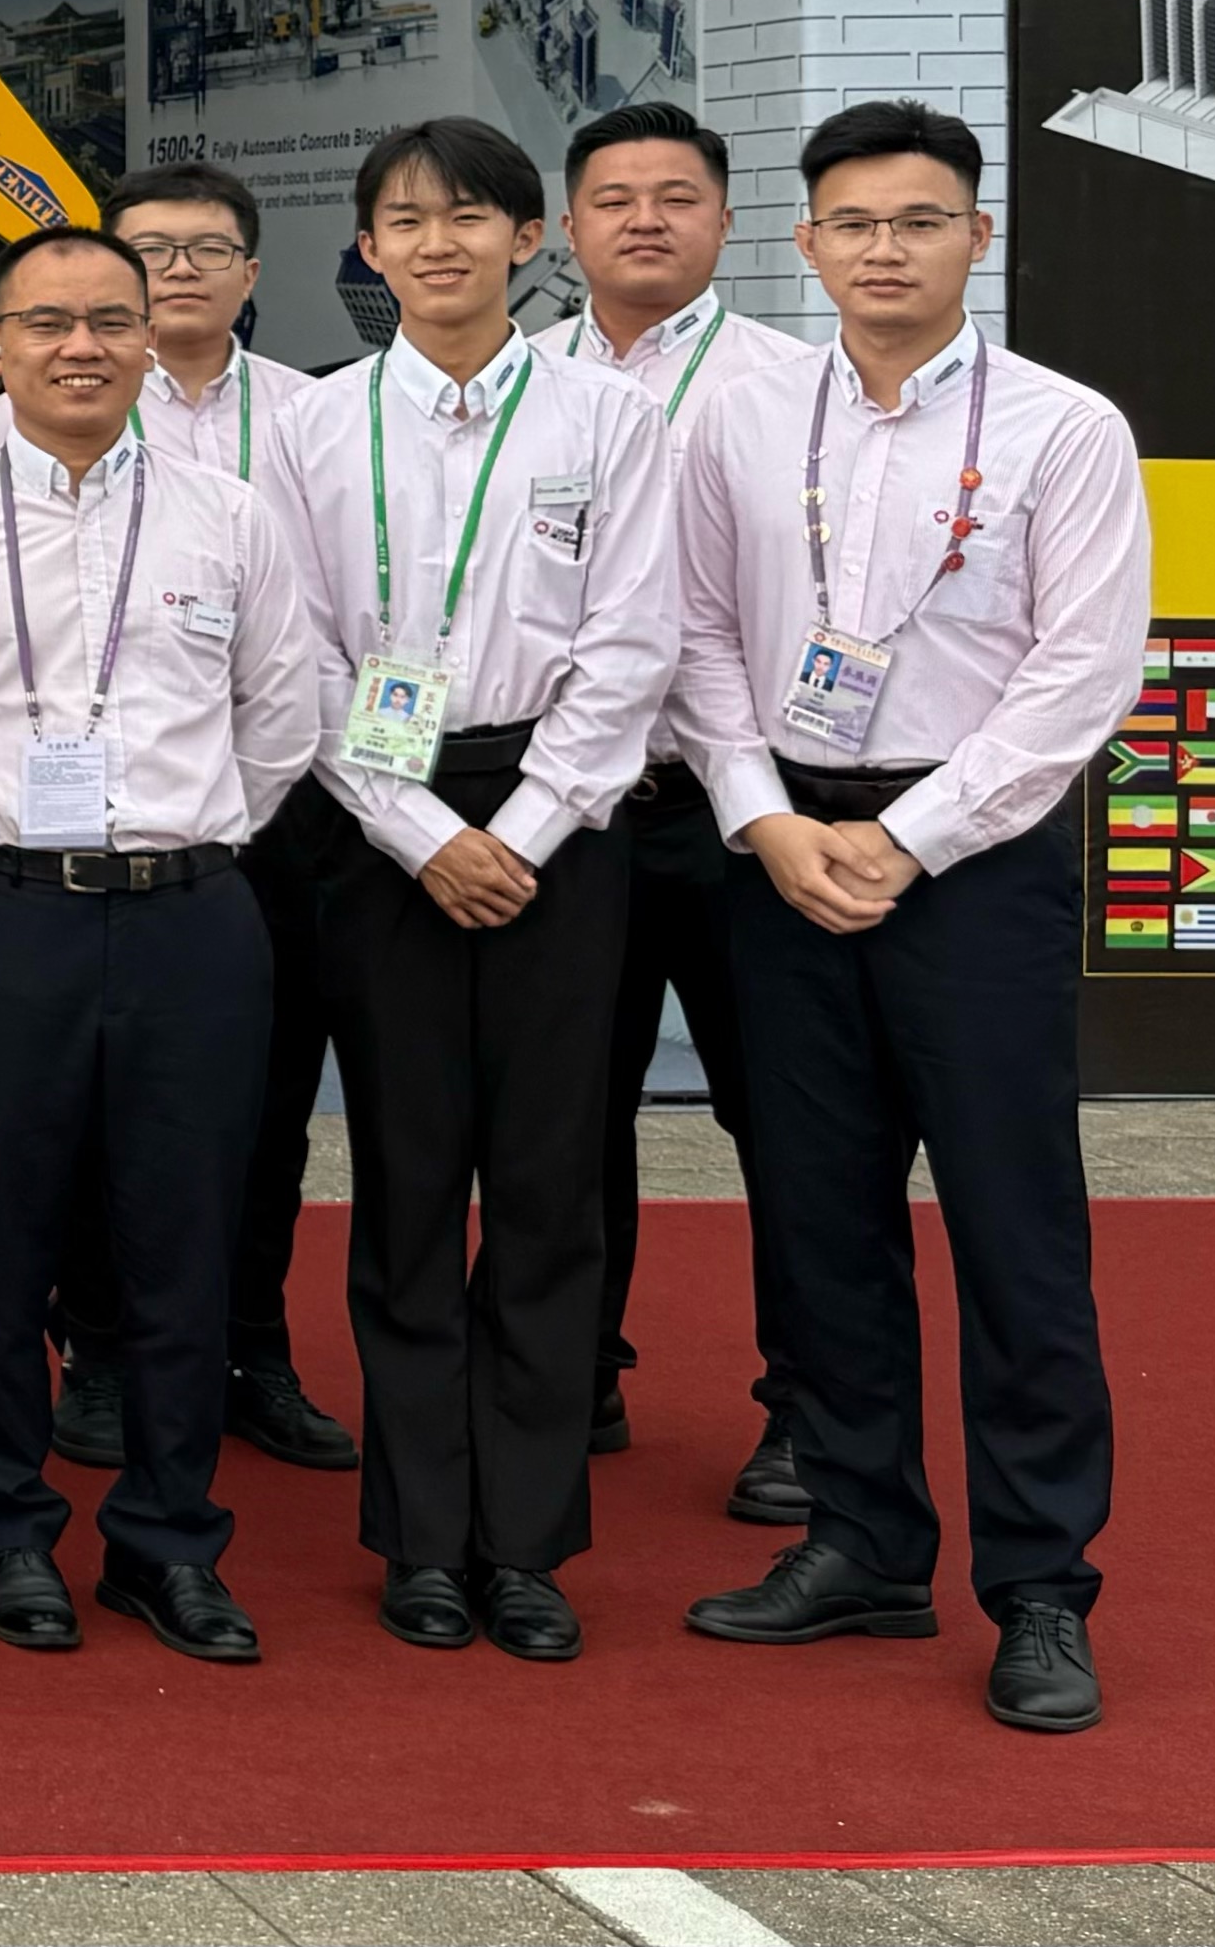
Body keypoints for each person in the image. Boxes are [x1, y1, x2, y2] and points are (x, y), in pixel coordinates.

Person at [673, 104, 1143, 1737]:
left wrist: (911, 837)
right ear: (805, 243)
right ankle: (863, 1537)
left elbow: (1081, 672)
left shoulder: (1064, 426)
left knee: (1016, 1230)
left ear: (975, 236)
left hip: (974, 857)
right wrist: (763, 817)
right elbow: (695, 631)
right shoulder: (742, 419)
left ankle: (1041, 1586)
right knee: (820, 1217)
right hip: (786, 847)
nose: (885, 248)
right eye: (855, 222)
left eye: (920, 219)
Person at [0, 225, 319, 1668]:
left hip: (194, 912)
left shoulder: (229, 516)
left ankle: (169, 1538)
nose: (82, 347)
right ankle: (4, 1522)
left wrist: (187, 835)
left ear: (147, 339)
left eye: (110, 321)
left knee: (183, 1235)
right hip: (4, 911)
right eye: (48, 321)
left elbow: (280, 715)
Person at [255, 116, 668, 1662]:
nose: (439, 243)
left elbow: (635, 641)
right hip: (380, 823)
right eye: (408, 220)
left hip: (563, 821)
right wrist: (420, 831)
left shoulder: (608, 417)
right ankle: (423, 1536)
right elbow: (294, 654)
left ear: (525, 237)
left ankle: (529, 1544)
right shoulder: (313, 424)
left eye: (470, 216)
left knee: (550, 1189)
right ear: (367, 247)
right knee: (408, 1182)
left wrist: (534, 824)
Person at [36, 157, 359, 1479]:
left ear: (251, 271)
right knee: (92, 1094)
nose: (177, 270)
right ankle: (102, 1344)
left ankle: (248, 1344)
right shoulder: (55, 405)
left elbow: (332, 612)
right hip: (84, 804)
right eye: (150, 249)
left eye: (205, 248)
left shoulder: (318, 418)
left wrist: (245, 797)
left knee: (262, 1097)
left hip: (266, 806)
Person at [544, 99, 818, 1517]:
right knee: (559, 1111)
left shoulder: (798, 388)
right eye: (614, 197)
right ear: (565, 225)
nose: (644, 219)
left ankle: (808, 1408)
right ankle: (565, 1375)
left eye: (675, 196)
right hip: (564, 810)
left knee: (790, 1117)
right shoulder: (516, 380)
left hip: (740, 811)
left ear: (725, 218)